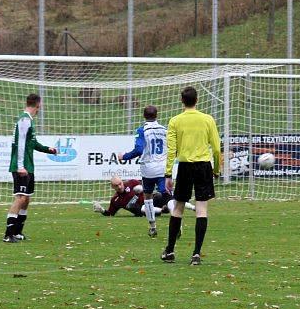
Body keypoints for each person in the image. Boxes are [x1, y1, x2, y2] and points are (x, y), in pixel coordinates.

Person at [162, 86, 221, 265]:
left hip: (185, 167)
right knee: (201, 209)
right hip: (203, 166)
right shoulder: (207, 119)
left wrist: (168, 174)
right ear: (197, 100)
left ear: (182, 101)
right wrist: (216, 169)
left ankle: (170, 250)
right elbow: (216, 149)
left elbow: (171, 150)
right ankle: (196, 254)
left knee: (178, 208)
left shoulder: (175, 121)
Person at [3, 93, 57, 243]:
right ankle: (8, 234)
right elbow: (20, 144)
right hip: (21, 166)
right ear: (38, 104)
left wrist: (48, 149)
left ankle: (17, 232)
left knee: (26, 199)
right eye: (41, 105)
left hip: (28, 166)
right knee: (20, 197)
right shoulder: (24, 120)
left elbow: (32, 143)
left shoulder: (29, 120)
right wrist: (20, 166)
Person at [120, 105, 169, 236]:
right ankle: (178, 223)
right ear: (157, 115)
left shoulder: (142, 130)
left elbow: (139, 150)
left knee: (148, 197)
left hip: (148, 169)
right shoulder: (165, 130)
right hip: (163, 168)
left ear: (144, 116)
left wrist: (124, 157)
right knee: (167, 195)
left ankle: (152, 227)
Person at [91, 176, 194, 218]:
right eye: (116, 186)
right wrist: (102, 210)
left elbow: (148, 188)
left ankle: (193, 208)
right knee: (131, 206)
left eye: (120, 184)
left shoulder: (132, 183)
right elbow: (110, 214)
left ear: (122, 182)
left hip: (151, 201)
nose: (119, 187)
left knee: (162, 196)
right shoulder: (115, 200)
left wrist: (143, 189)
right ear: (113, 187)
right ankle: (163, 210)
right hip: (141, 210)